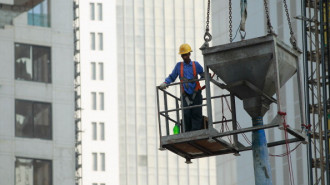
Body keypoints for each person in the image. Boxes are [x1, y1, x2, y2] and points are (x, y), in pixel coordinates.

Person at [159, 43, 204, 132]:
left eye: (186, 54)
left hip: (196, 93)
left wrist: (206, 76)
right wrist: (165, 83)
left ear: (189, 54)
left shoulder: (196, 65)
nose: (184, 57)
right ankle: (187, 132)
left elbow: (203, 74)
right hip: (185, 94)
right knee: (186, 113)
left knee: (196, 112)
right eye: (183, 55)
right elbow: (172, 77)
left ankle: (195, 132)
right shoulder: (179, 66)